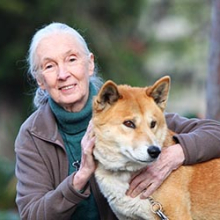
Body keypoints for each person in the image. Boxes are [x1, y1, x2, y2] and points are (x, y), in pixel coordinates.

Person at [15, 22, 220, 220]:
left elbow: (215, 133)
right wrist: (80, 177)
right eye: (50, 66)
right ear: (40, 80)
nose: (63, 74)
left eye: (71, 59)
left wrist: (176, 153)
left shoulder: (131, 107)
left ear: (90, 64)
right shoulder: (33, 136)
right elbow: (32, 214)